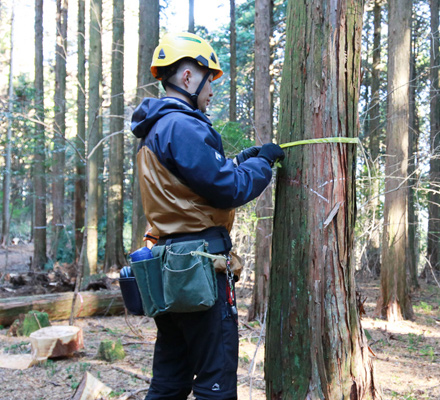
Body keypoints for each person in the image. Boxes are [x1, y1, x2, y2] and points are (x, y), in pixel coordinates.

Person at [130, 31, 283, 400]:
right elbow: (227, 188)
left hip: (170, 268)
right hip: (199, 270)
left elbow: (194, 184)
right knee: (215, 382)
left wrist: (243, 160)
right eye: (209, 79)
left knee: (171, 377)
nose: (212, 89)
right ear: (187, 78)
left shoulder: (157, 128)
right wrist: (263, 165)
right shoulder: (182, 126)